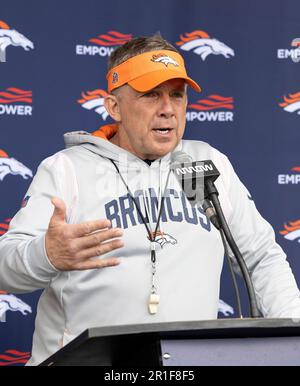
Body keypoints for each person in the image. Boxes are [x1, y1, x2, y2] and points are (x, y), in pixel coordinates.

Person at [1, 34, 300, 366]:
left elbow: (260, 257)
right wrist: (47, 254)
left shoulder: (205, 164)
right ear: (114, 106)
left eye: (177, 94)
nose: (167, 110)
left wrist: (295, 332)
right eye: (150, 95)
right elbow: (5, 267)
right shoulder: (68, 169)